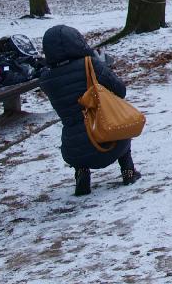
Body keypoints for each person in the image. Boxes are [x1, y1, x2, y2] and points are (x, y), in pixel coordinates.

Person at [40, 24, 141, 196]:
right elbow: (120, 90)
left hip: (74, 152)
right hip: (109, 144)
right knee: (119, 123)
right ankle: (128, 170)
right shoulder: (90, 65)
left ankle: (82, 175)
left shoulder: (47, 80)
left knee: (77, 126)